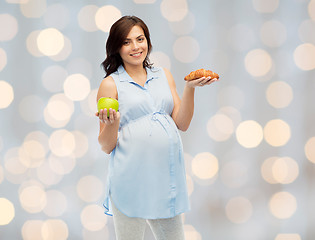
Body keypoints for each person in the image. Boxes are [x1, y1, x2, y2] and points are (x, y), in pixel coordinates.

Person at [96, 15, 218, 240]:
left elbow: (182, 123)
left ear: (148, 42)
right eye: (126, 42)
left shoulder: (163, 75)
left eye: (140, 39)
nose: (135, 47)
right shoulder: (110, 84)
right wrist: (111, 124)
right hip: (130, 180)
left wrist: (189, 88)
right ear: (116, 48)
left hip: (164, 178)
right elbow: (105, 145)